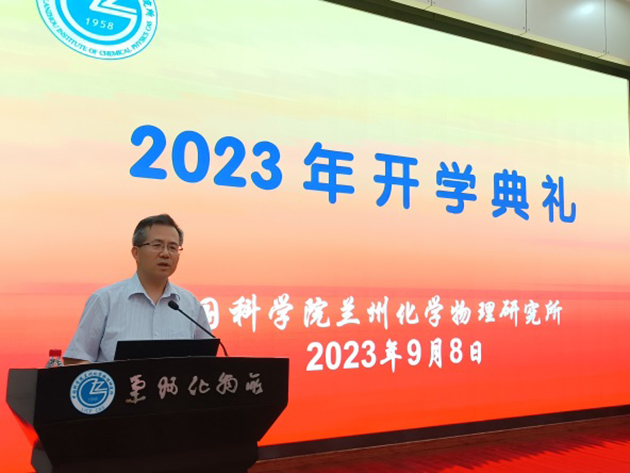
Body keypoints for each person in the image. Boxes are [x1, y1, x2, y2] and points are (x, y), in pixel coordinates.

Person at [64, 214, 211, 364]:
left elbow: (207, 364)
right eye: (157, 245)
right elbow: (76, 360)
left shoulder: (190, 305)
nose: (165, 254)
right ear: (136, 253)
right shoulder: (105, 300)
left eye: (173, 247)